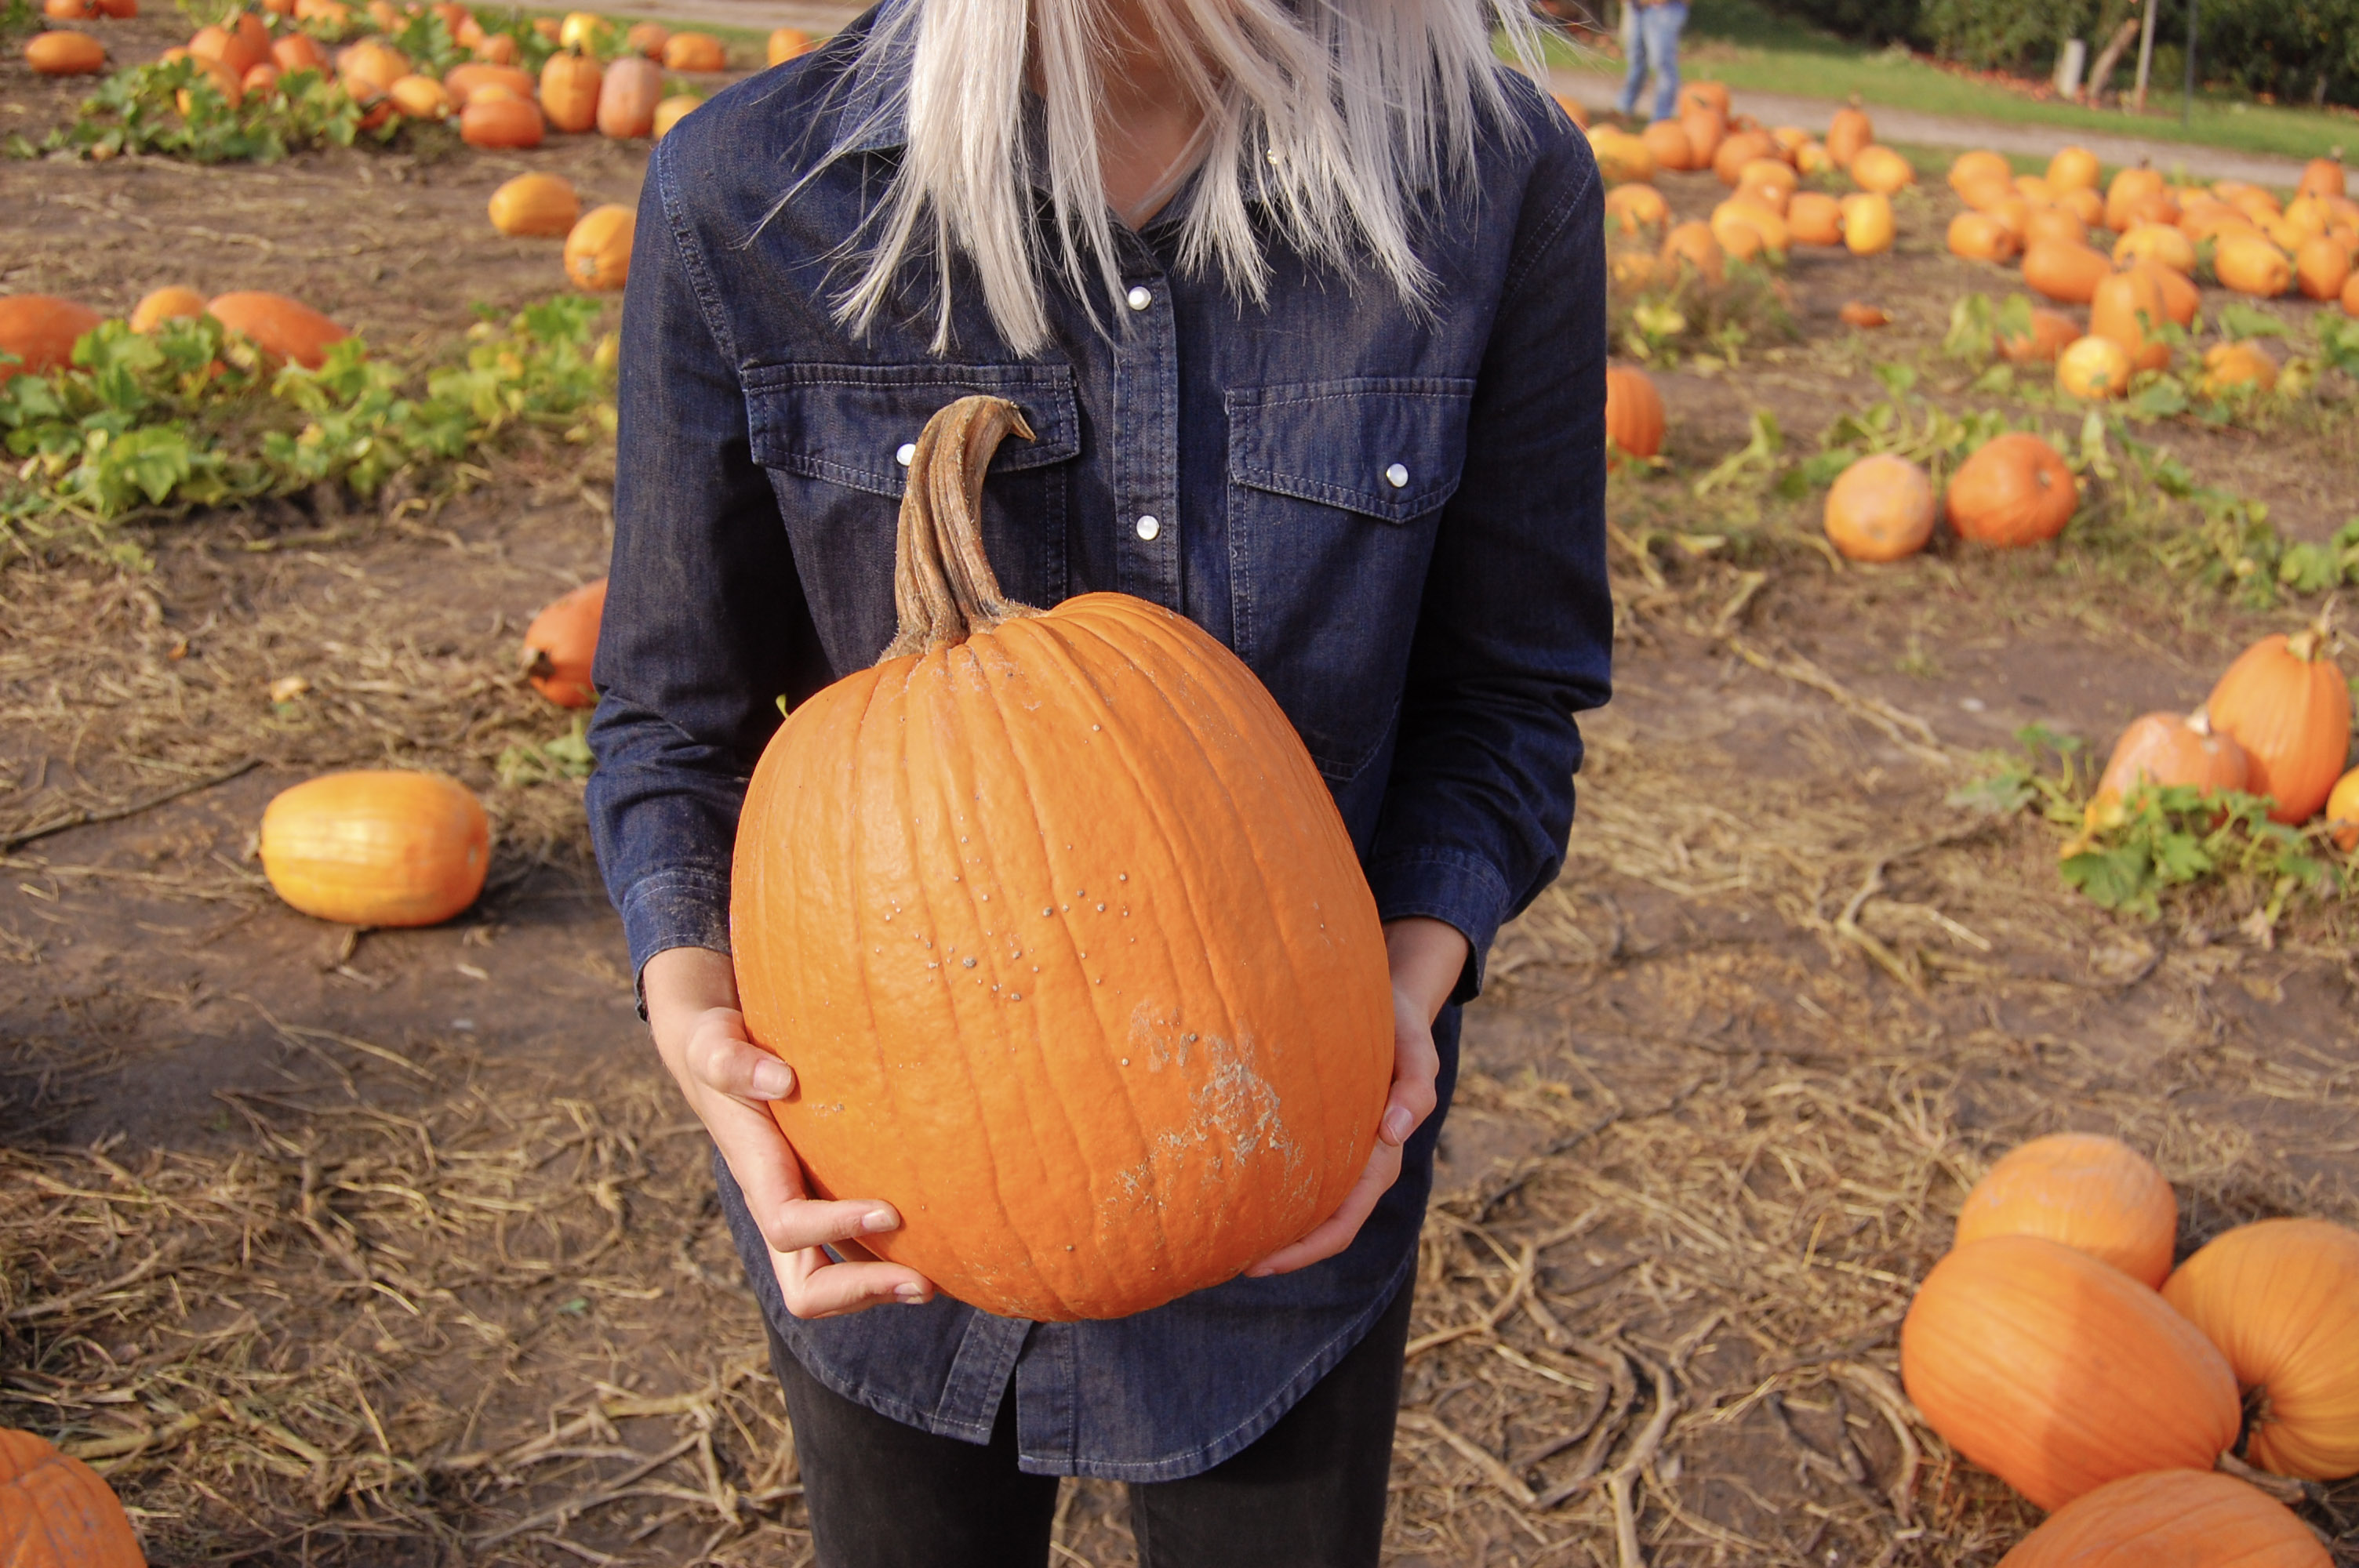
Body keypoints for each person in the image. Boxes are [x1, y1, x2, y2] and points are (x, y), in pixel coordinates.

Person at [583, 0, 1612, 1554]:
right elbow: (672, 724)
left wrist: (1403, 989)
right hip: (891, 1207)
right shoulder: (754, 190)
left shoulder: (1487, 178)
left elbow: (1505, 697)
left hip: (1293, 1185)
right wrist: (692, 1019)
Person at [1616, 0, 1688, 122]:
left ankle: (1661, 119)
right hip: (1639, 8)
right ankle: (1624, 108)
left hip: (1665, 8)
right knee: (1636, 61)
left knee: (1663, 62)